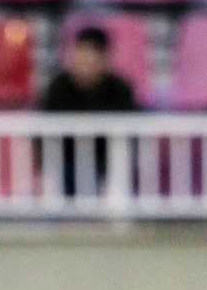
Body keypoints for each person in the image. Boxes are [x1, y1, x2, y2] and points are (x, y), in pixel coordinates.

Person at [39, 23, 140, 195]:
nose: (87, 60)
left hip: (106, 167)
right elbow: (42, 134)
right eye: (82, 52)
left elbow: (132, 133)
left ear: (105, 58)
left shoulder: (119, 89)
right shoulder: (58, 88)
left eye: (93, 54)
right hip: (65, 165)